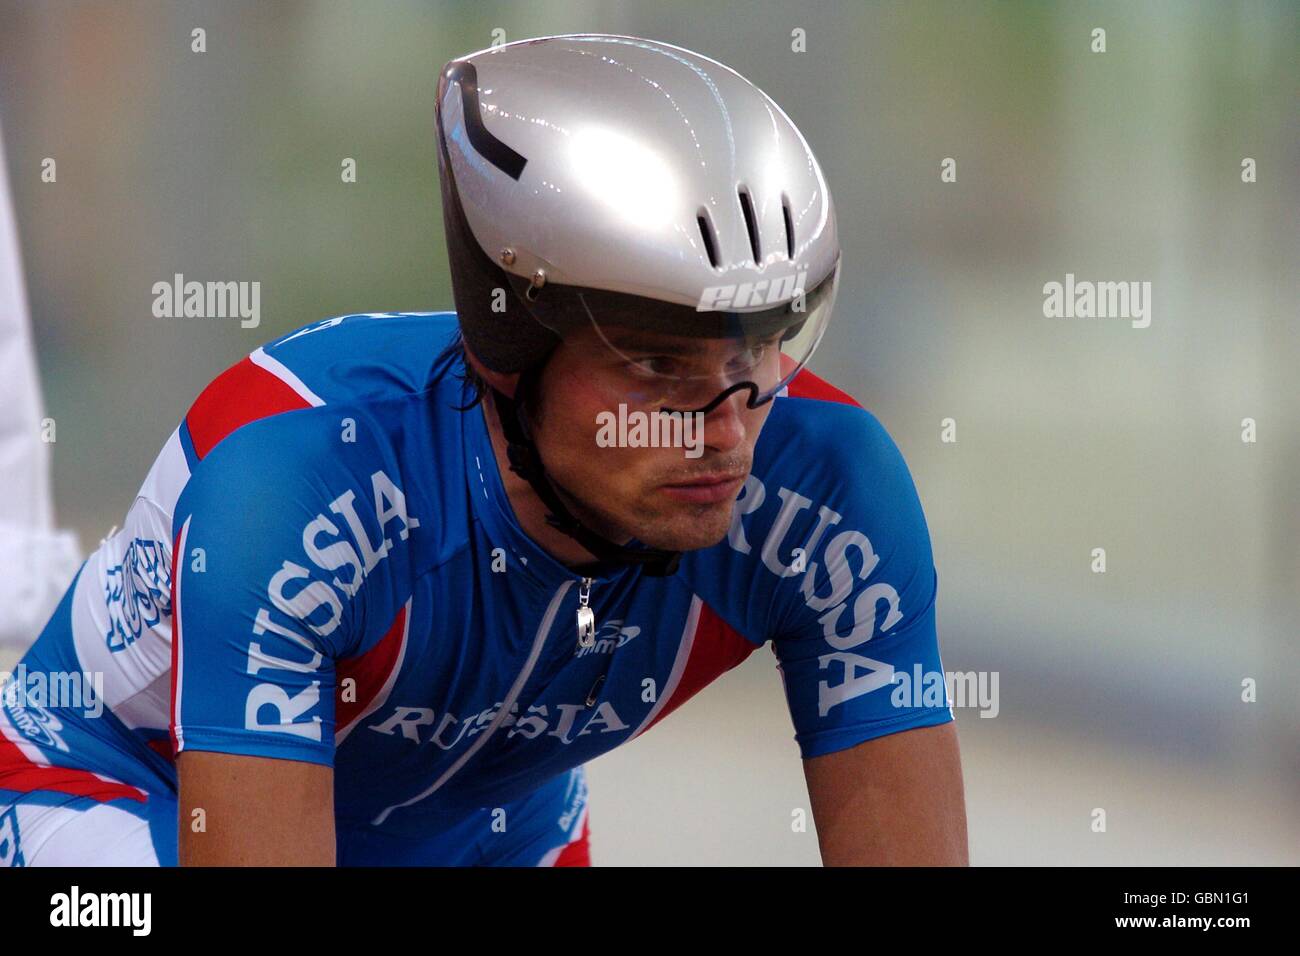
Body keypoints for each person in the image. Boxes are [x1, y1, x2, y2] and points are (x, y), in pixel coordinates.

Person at [0, 33, 967, 867]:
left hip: (480, 827)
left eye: (759, 348)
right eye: (661, 366)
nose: (724, 426)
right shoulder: (295, 485)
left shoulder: (831, 490)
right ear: (512, 352)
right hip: (111, 798)